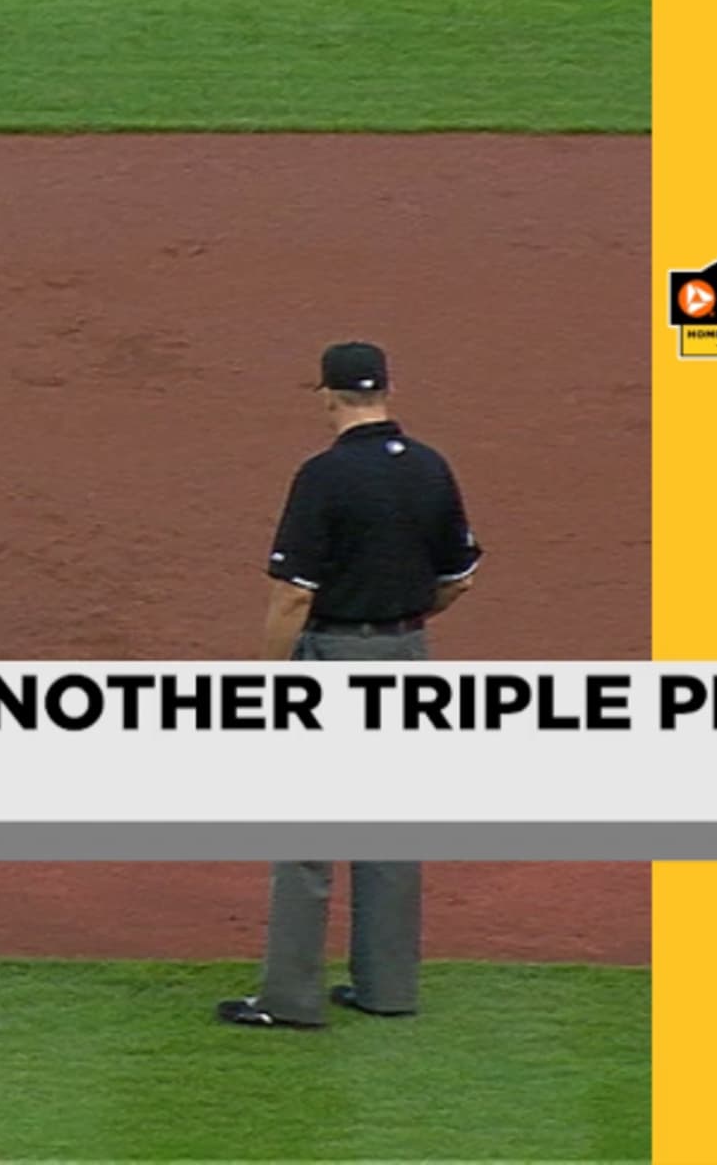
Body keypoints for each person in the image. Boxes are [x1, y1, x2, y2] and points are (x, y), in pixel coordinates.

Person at [217, 340, 483, 1030]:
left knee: (307, 835)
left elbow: (293, 599)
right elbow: (459, 577)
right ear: (387, 390)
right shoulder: (429, 467)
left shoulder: (325, 476)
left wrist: (268, 680)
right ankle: (387, 987)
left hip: (335, 657)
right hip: (407, 656)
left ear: (327, 394)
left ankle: (290, 999)